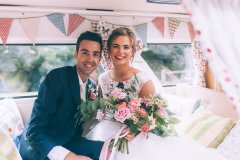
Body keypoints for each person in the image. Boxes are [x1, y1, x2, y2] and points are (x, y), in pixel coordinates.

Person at [84, 27, 226, 160]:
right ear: (108, 50)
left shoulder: (142, 80)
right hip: (108, 131)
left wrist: (135, 130)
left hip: (137, 135)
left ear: (132, 51)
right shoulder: (103, 80)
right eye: (115, 46)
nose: (120, 51)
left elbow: (153, 118)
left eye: (126, 47)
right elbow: (103, 110)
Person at [19, 31, 104, 160]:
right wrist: (70, 157)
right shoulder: (56, 78)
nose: (90, 59)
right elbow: (34, 133)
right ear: (76, 54)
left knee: (106, 150)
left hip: (68, 139)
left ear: (100, 59)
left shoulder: (92, 86)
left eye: (95, 54)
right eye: (85, 52)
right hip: (41, 146)